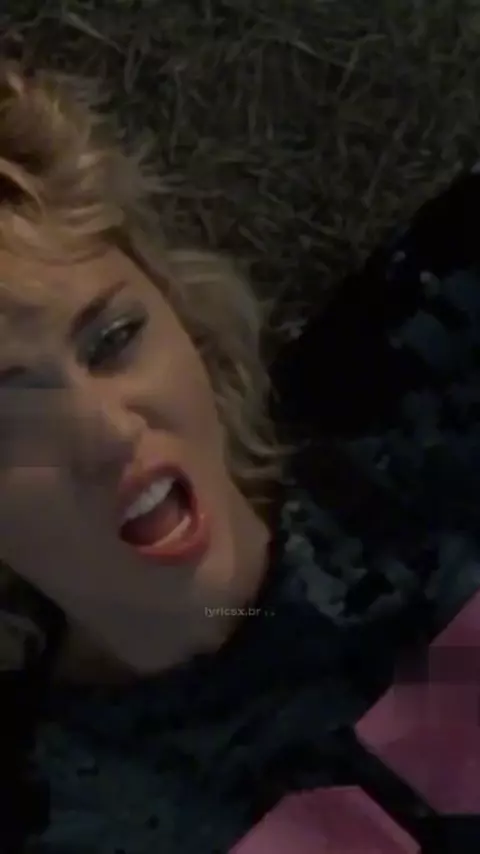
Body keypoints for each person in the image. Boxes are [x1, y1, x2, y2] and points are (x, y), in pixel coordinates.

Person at [0, 63, 479, 853]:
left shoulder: (429, 390)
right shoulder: (54, 818)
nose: (111, 432)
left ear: (180, 315)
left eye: (114, 338)